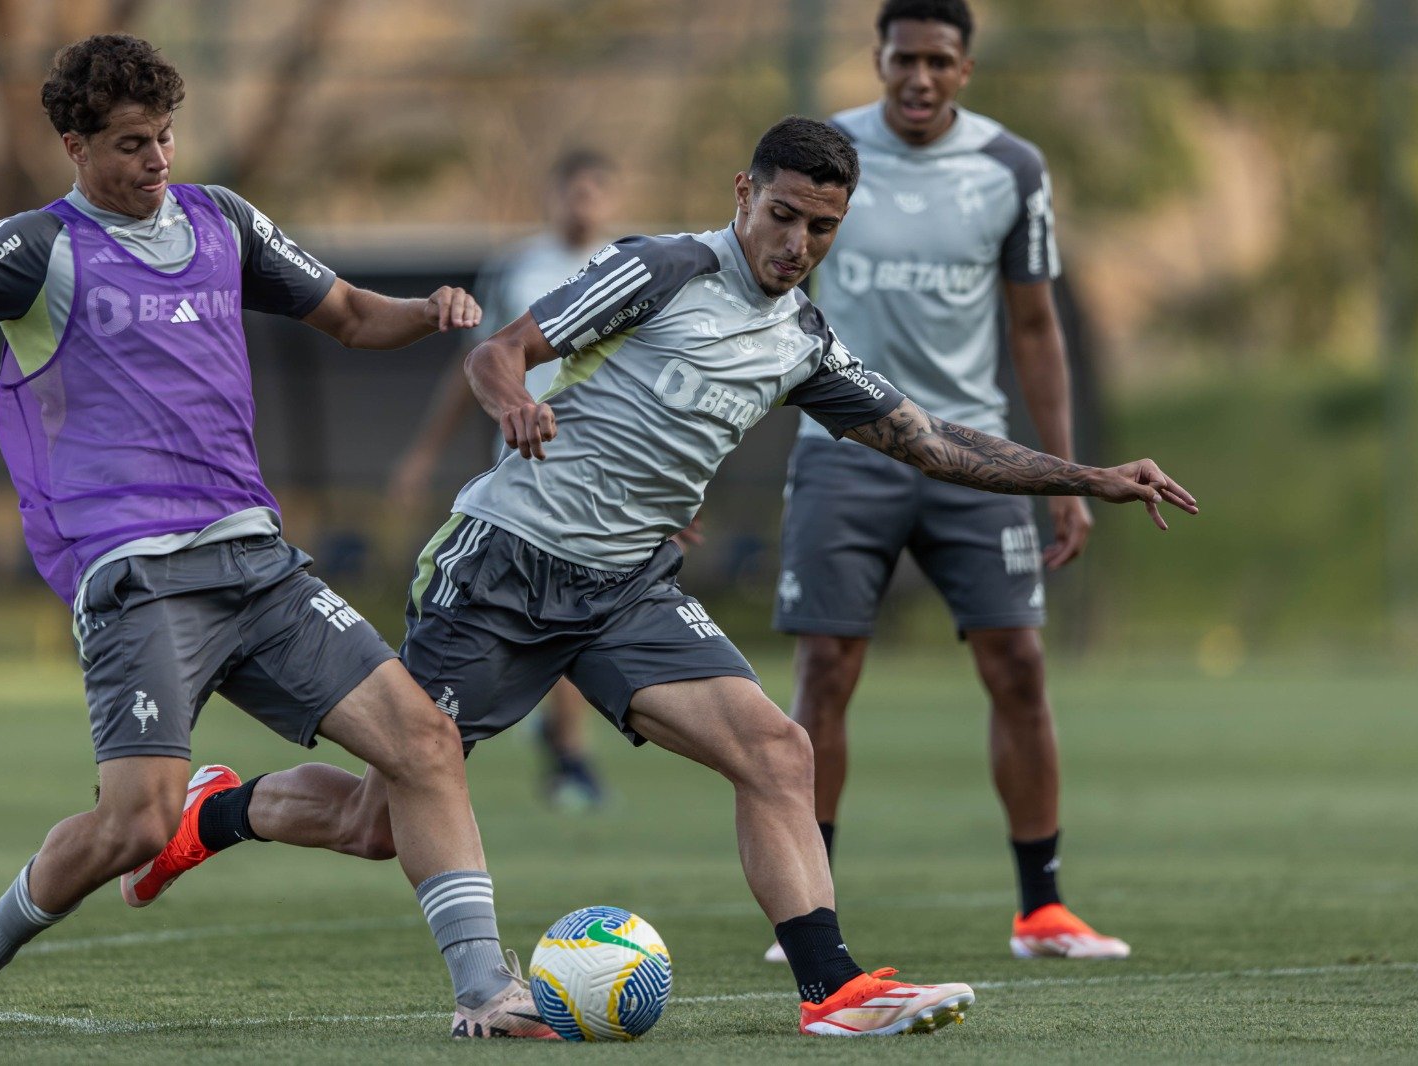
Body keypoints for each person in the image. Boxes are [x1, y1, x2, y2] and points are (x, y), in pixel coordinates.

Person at [128, 115, 1196, 1037]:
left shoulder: (803, 344)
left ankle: (830, 989)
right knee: (375, 820)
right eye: (781, 215)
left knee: (776, 748)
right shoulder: (663, 269)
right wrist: (514, 405)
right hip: (500, 569)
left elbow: (932, 444)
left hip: (625, 589)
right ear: (744, 194)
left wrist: (1090, 475)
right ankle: (215, 811)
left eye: (820, 227)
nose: (796, 242)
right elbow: (498, 354)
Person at [0, 34, 555, 1041]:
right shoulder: (38, 248)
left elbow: (345, 312)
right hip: (140, 581)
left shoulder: (222, 219)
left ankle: (485, 992)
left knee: (423, 742)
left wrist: (425, 311)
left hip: (258, 562)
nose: (156, 161)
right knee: (135, 824)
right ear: (74, 145)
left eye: (164, 137)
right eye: (129, 143)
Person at [766, 0, 1130, 966]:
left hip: (973, 456)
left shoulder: (1012, 168)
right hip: (846, 452)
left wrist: (1063, 479)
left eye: (937, 60)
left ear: (965, 68)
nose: (918, 77)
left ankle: (1042, 909)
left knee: (1019, 665)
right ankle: (811, 906)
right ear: (877, 59)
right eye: (902, 59)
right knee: (826, 673)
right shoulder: (826, 153)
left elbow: (1036, 327)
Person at [386, 149, 622, 811]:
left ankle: (557, 736)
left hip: (608, 473)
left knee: (573, 614)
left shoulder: (629, 269)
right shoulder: (518, 268)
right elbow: (475, 364)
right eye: (573, 191)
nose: (583, 204)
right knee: (554, 610)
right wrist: (423, 455)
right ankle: (567, 753)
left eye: (596, 192)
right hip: (527, 467)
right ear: (554, 194)